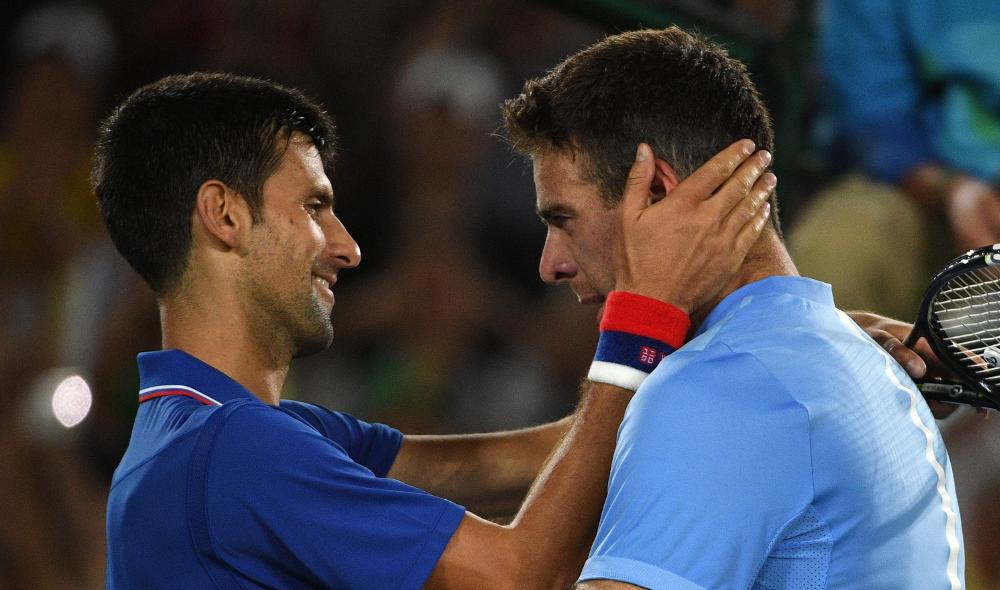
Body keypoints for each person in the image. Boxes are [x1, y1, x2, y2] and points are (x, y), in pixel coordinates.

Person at [97, 72, 775, 588]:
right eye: (313, 206)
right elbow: (519, 572)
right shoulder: (236, 450)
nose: (348, 247)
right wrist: (645, 310)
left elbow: (498, 464)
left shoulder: (214, 434)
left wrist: (748, 341)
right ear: (223, 215)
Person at [500, 27, 964, 588]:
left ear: (656, 194)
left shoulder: (719, 390)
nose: (551, 265)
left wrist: (634, 346)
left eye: (562, 220)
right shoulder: (853, 358)